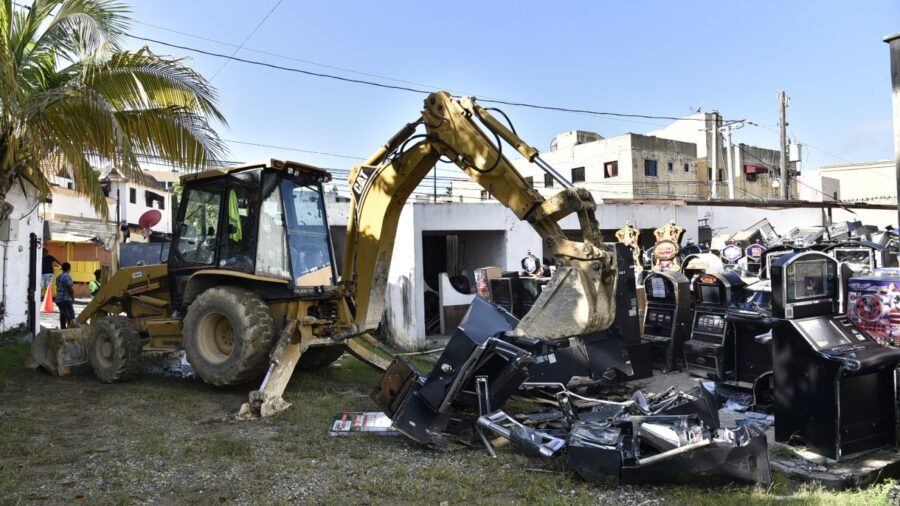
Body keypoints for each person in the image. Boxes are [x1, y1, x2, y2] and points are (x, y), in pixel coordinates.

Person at [55, 262, 75, 329]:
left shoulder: (58, 277)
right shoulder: (68, 277)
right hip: (66, 299)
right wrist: (72, 298)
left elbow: (58, 287)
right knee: (71, 315)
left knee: (63, 314)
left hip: (58, 299)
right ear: (69, 269)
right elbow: (70, 288)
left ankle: (63, 329)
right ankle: (69, 330)